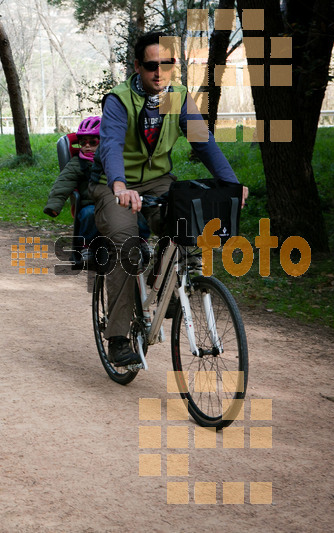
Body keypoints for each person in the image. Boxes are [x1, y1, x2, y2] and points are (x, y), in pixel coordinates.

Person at [93, 31, 249, 367]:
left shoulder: (176, 97)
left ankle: (168, 286)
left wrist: (232, 184)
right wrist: (119, 186)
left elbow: (202, 142)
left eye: (167, 64)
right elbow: (110, 147)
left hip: (158, 181)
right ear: (137, 66)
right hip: (113, 184)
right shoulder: (119, 100)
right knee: (127, 244)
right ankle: (118, 337)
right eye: (151, 65)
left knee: (189, 220)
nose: (159, 72)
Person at [44, 116, 103, 247]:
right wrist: (54, 205)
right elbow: (63, 182)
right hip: (89, 203)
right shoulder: (77, 163)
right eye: (83, 143)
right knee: (89, 214)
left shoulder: (111, 160)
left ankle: (139, 244)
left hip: (112, 201)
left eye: (93, 142)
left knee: (132, 211)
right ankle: (86, 246)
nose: (87, 146)